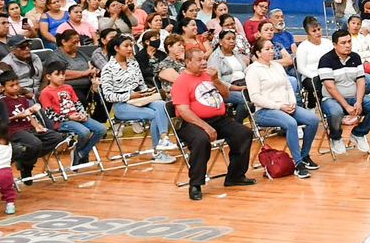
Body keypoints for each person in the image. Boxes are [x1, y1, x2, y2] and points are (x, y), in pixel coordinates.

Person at [170, 47, 255, 202]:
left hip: (219, 119)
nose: (204, 62)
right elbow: (183, 111)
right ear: (188, 62)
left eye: (204, 59)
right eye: (199, 60)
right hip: (191, 122)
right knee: (201, 140)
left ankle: (235, 176)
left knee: (244, 134)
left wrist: (216, 80)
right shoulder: (181, 82)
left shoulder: (208, 76)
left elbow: (226, 94)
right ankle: (195, 184)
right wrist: (205, 127)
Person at [247, 35, 320, 177]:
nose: (271, 51)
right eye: (267, 49)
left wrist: (292, 102)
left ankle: (304, 156)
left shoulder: (277, 66)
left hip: (286, 106)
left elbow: (288, 86)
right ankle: (298, 163)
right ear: (258, 53)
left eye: (272, 48)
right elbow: (255, 97)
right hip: (265, 111)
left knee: (313, 120)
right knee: (291, 123)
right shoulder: (253, 70)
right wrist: (279, 106)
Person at [98, 35, 177, 163]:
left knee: (163, 106)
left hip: (141, 99)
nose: (130, 48)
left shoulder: (134, 63)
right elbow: (107, 95)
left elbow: (142, 84)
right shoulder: (108, 68)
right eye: (126, 46)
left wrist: (148, 92)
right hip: (122, 105)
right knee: (154, 115)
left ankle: (163, 141)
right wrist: (129, 95)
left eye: (131, 45)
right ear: (116, 48)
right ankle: (159, 150)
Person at [317, 30, 370, 155]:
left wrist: (358, 102)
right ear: (334, 45)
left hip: (353, 97)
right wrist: (347, 106)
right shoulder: (325, 60)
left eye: (349, 42)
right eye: (343, 43)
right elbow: (330, 87)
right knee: (336, 112)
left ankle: (359, 133)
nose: (348, 45)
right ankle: (336, 137)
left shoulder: (355, 57)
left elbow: (361, 81)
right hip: (332, 99)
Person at [38, 60, 106, 171]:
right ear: (48, 76)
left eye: (63, 74)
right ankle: (81, 153)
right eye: (57, 74)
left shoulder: (68, 87)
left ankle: (80, 153)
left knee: (101, 129)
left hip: (76, 117)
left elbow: (77, 103)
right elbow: (49, 115)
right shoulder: (45, 92)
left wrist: (82, 114)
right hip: (61, 122)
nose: (61, 77)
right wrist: (69, 117)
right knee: (84, 132)